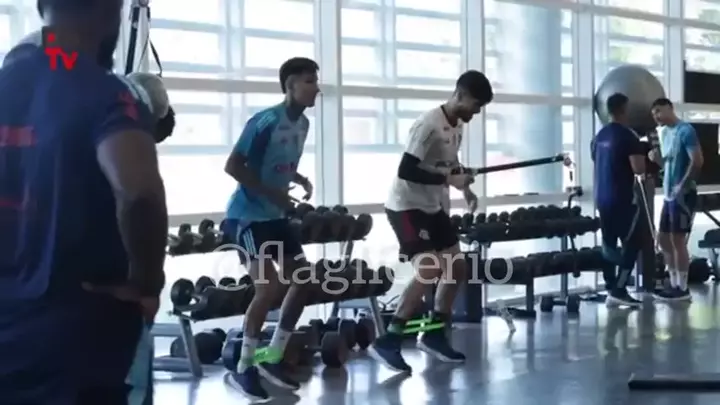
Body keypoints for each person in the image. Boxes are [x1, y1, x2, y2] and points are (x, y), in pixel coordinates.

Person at [0, 0, 168, 403]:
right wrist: (146, 283)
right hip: (75, 340)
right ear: (111, 10)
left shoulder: (8, 83)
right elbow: (139, 193)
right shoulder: (103, 91)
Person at [369, 70, 492, 373]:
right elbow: (407, 170)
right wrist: (448, 178)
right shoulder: (428, 125)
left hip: (432, 207)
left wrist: (465, 187)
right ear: (460, 95)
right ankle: (389, 340)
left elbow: (449, 166)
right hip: (406, 207)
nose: (476, 112)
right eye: (476, 105)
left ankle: (434, 334)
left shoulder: (457, 126)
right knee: (429, 269)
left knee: (457, 268)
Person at [222, 57, 318, 400]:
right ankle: (244, 366)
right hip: (247, 218)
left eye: (315, 81)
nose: (316, 88)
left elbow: (274, 163)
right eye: (309, 81)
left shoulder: (303, 124)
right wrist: (272, 195)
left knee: (303, 281)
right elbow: (234, 166)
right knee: (269, 288)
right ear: (290, 85)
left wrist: (298, 178)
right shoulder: (265, 121)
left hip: (275, 216)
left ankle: (273, 356)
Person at [591, 93, 647, 307]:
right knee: (633, 243)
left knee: (609, 243)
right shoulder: (628, 136)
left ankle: (610, 286)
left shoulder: (599, 136)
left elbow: (596, 159)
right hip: (622, 199)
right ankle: (619, 289)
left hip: (602, 198)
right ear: (625, 109)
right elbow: (638, 169)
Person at [649, 98, 703, 302]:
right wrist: (658, 160)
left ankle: (683, 287)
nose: (656, 116)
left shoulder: (685, 131)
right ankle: (673, 283)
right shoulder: (665, 133)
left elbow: (697, 161)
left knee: (677, 239)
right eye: (653, 113)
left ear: (670, 108)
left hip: (683, 194)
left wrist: (682, 184)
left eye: (659, 111)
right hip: (669, 194)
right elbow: (668, 166)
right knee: (663, 238)